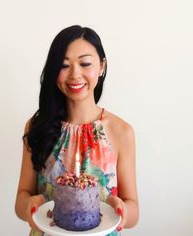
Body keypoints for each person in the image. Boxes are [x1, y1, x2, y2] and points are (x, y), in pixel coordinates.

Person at [15, 25, 139, 236]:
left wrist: (123, 210)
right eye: (64, 65)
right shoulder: (38, 126)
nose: (75, 74)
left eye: (85, 63)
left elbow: (133, 210)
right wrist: (28, 205)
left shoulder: (121, 131)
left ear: (101, 66)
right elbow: (21, 199)